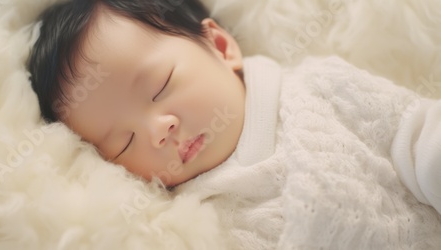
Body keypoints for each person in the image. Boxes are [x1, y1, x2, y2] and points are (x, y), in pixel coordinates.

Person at [28, 0, 441, 248]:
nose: (158, 130)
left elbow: (420, 136)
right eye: (124, 142)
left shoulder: (321, 90)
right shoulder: (184, 225)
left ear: (221, 47)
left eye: (160, 87)